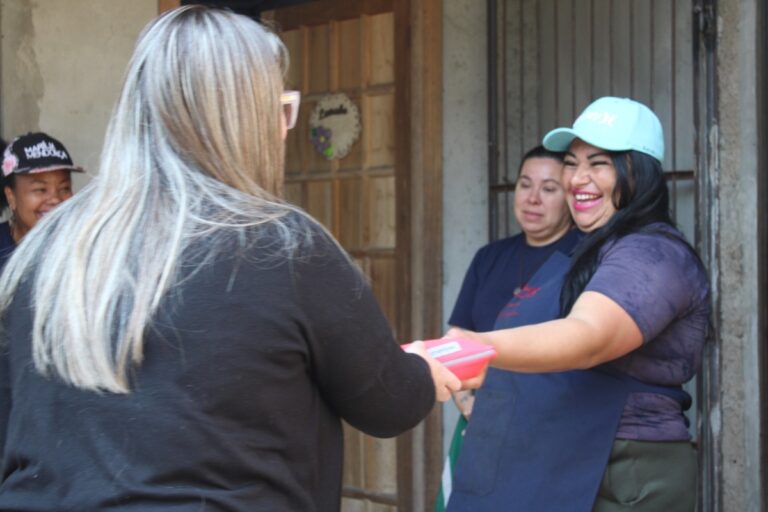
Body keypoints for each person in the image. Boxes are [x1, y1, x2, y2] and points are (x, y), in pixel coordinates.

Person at [0, 6, 466, 511]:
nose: (285, 129)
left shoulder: (46, 249)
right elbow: (387, 402)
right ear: (242, 121)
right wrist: (420, 371)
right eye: (279, 108)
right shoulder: (281, 246)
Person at [446, 97, 710, 511]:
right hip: (559, 458)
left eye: (599, 164)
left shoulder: (653, 255)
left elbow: (586, 337)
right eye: (571, 162)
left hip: (622, 469)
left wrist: (474, 348)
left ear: (638, 173)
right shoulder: (589, 251)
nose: (577, 179)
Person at [434, 146, 581, 511]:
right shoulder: (490, 257)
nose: (532, 199)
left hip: (555, 430)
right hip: (485, 425)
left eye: (549, 189)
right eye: (525, 184)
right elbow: (459, 341)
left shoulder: (586, 257)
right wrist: (471, 409)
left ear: (569, 196)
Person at [0, 132, 82, 266]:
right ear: (11, 197)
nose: (55, 199)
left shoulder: (83, 248)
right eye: (40, 190)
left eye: (65, 188)